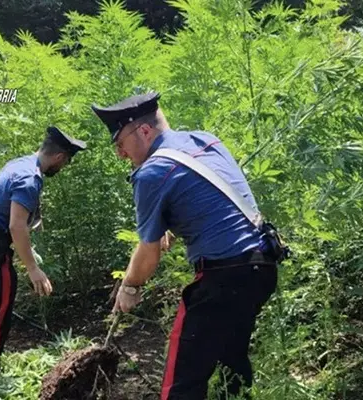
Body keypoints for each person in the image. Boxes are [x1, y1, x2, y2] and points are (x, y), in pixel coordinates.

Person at [92, 92, 280, 399]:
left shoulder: (153, 171)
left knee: (182, 381)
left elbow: (148, 252)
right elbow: (212, 202)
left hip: (222, 277)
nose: (120, 154)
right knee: (231, 362)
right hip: (260, 267)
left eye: (120, 144)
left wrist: (130, 287)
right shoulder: (204, 140)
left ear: (144, 131)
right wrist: (174, 228)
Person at [0, 126, 87, 389]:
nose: (64, 167)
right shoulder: (30, 179)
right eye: (66, 162)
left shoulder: (20, 163)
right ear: (59, 157)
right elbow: (16, 226)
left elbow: (9, 211)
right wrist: (33, 268)